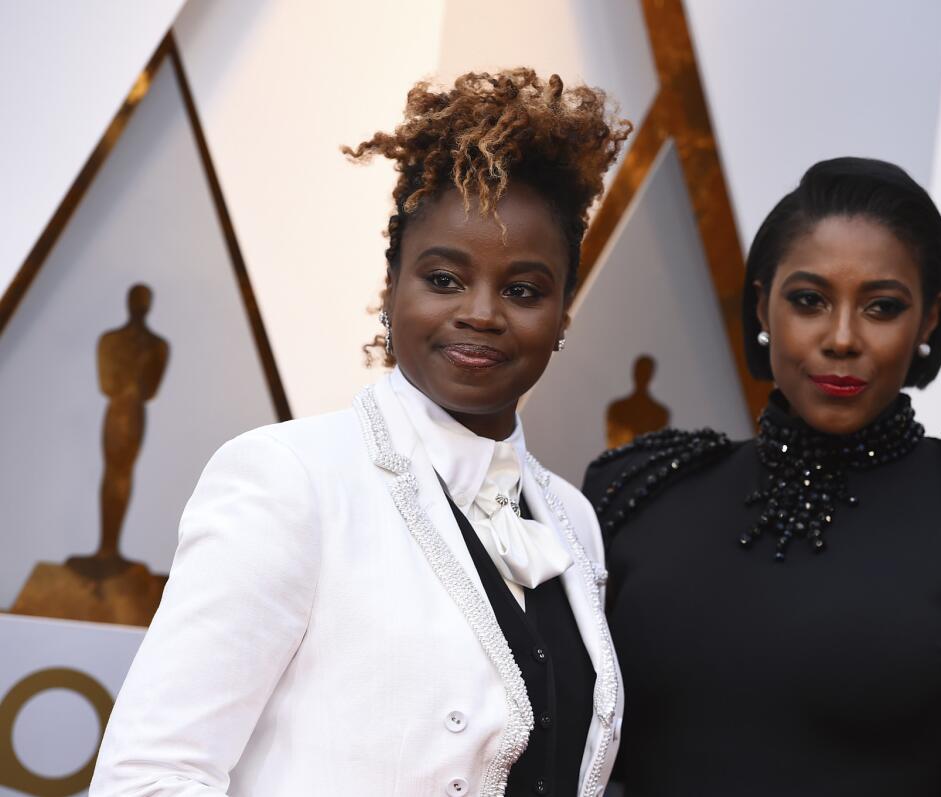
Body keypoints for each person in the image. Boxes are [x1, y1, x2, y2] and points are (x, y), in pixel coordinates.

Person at [92, 68, 630, 797]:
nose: (480, 312)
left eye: (524, 290)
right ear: (391, 287)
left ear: (563, 314)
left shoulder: (574, 521)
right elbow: (147, 777)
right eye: (443, 278)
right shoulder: (289, 479)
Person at [583, 158, 941, 797]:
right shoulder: (636, 493)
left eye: (881, 307)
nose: (842, 338)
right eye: (808, 300)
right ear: (763, 302)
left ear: (928, 320)